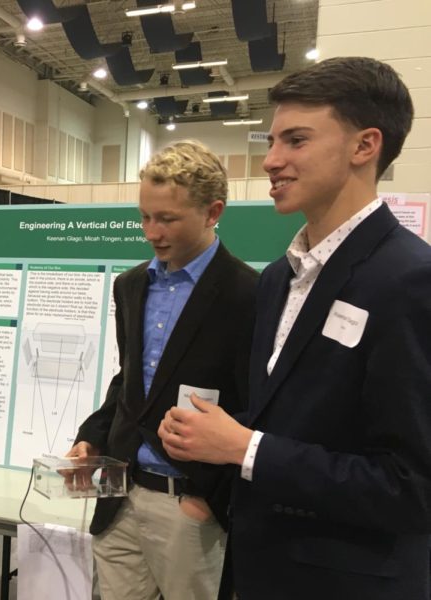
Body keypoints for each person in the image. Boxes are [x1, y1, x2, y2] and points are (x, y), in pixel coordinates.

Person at [159, 57, 431, 599]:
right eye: (273, 141)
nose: (270, 161)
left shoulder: (409, 280)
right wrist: (210, 437)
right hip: (263, 570)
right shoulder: (279, 280)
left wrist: (244, 448)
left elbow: (413, 486)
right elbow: (296, 419)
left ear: (364, 146)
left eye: (296, 141)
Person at [66, 140, 258, 600]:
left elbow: (259, 406)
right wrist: (90, 437)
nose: (152, 232)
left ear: (213, 212)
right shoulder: (131, 285)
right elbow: (128, 383)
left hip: (190, 507)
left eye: (168, 219)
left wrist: (209, 499)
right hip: (120, 494)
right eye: (145, 217)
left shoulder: (249, 294)